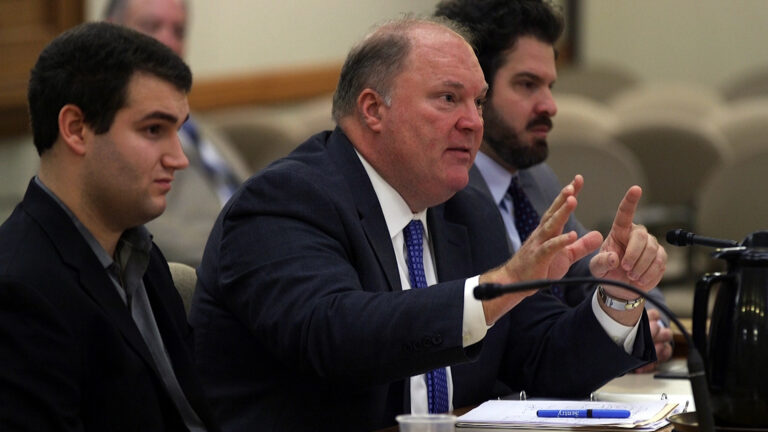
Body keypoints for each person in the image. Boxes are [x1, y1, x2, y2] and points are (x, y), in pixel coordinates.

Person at [190, 17, 665, 431]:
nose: (472, 123)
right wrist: (497, 286)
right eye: (447, 98)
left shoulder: (467, 212)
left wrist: (618, 298)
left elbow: (543, 360)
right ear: (373, 109)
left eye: (477, 103)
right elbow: (336, 338)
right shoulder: (286, 201)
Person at [0, 22, 218, 432]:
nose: (179, 158)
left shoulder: (139, 253)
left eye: (179, 130)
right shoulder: (19, 292)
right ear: (76, 129)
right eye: (154, 130)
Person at [434, 0, 674, 373]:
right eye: (527, 85)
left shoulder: (535, 180)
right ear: (476, 89)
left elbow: (592, 275)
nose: (550, 105)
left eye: (550, 86)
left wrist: (644, 317)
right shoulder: (442, 192)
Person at [105, 0, 251, 267]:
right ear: (111, 32)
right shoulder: (101, 129)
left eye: (179, 32)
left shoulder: (198, 126)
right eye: (152, 26)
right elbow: (133, 227)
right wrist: (246, 250)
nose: (168, 42)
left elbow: (246, 191)